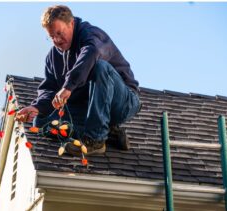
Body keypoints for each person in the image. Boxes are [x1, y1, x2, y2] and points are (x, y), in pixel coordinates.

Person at [16, 5, 141, 156]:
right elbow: (49, 90)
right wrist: (36, 108)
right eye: (51, 37)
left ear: (71, 23)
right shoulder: (52, 57)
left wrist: (68, 86)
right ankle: (107, 133)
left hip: (123, 102)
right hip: (89, 108)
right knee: (42, 123)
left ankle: (96, 140)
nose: (56, 40)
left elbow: (91, 52)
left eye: (59, 33)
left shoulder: (91, 35)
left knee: (100, 67)